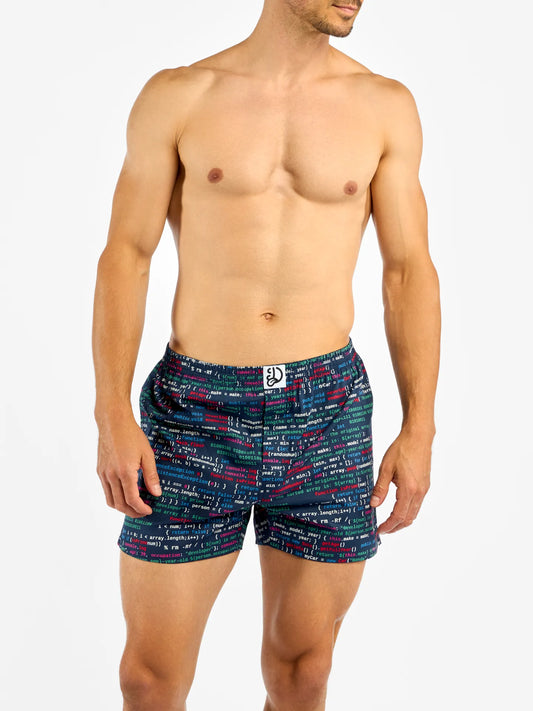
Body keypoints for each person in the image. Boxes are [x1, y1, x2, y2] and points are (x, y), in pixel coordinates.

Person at [92, 1, 441, 709]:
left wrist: (420, 426)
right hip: (195, 412)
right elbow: (126, 255)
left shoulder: (383, 107)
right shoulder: (180, 95)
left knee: (302, 671)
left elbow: (408, 271)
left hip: (326, 410)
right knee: (148, 678)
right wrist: (111, 414)